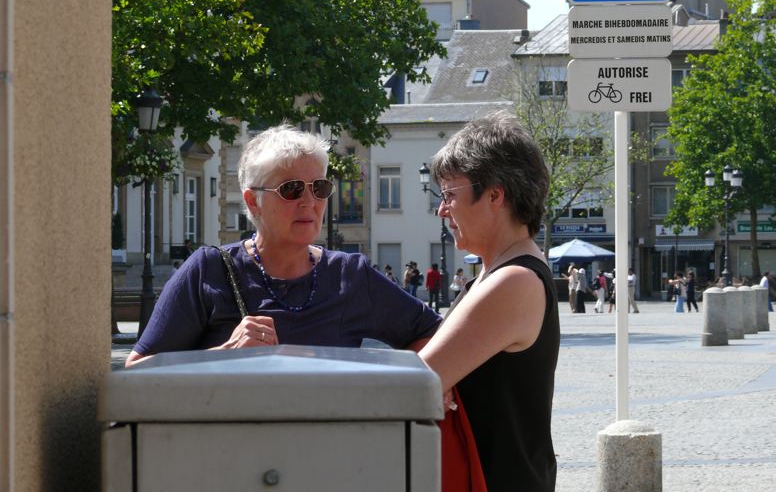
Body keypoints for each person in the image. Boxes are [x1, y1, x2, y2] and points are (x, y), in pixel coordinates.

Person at [126, 124, 441, 367]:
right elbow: (138, 370)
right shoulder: (209, 271)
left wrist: (417, 384)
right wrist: (224, 354)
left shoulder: (349, 275)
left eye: (319, 187)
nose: (309, 202)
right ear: (254, 201)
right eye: (292, 189)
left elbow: (434, 335)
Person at [418, 112, 560, 491]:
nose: (442, 210)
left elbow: (419, 381)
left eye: (450, 195)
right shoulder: (498, 272)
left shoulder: (514, 280)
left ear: (495, 195)